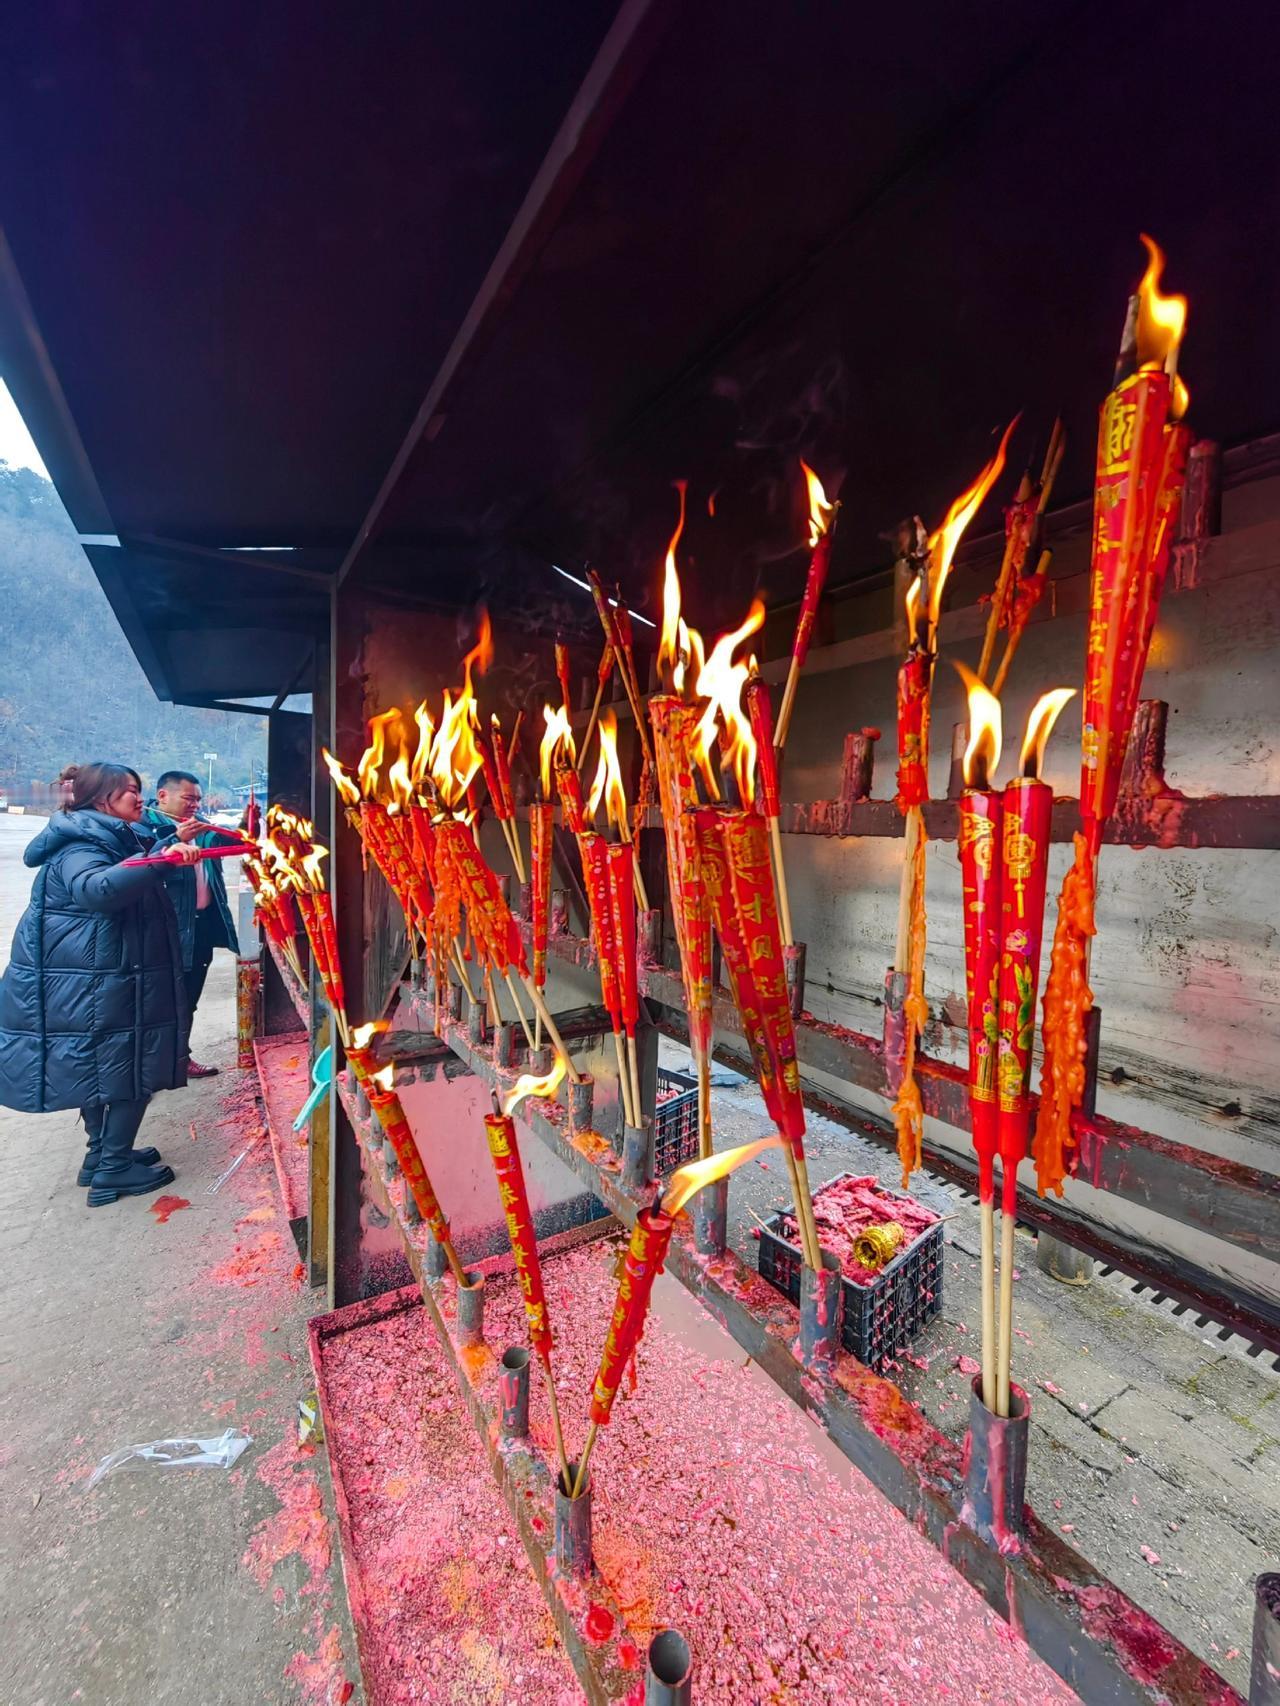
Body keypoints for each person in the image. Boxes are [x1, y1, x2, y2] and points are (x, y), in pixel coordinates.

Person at [0, 761, 200, 1204]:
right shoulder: (79, 844)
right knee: (130, 1068)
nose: (139, 797)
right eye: (130, 790)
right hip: (97, 979)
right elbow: (100, 889)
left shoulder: (106, 833)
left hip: (100, 975)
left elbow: (132, 862)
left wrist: (170, 843)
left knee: (101, 1067)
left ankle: (102, 1154)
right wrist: (164, 860)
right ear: (102, 798)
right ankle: (112, 1168)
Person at [143, 770, 238, 1077]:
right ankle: (149, 1068)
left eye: (197, 798)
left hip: (200, 926)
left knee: (188, 999)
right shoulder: (145, 827)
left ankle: (180, 1058)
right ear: (163, 796)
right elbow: (142, 865)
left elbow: (236, 840)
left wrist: (249, 825)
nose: (195, 804)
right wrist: (175, 840)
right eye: (188, 798)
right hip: (164, 931)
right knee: (157, 1002)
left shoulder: (202, 828)